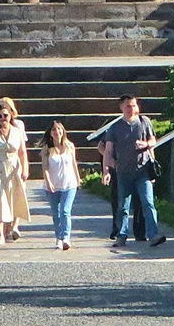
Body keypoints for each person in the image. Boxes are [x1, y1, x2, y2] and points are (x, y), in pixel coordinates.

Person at [95, 94, 164, 247]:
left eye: (134, 105)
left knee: (148, 203)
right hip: (124, 172)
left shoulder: (144, 122)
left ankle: (154, 234)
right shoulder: (115, 127)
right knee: (123, 206)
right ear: (121, 108)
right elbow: (107, 150)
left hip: (143, 171)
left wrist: (145, 144)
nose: (132, 109)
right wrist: (106, 171)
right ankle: (122, 234)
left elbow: (153, 140)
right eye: (128, 106)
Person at [0, 98, 30, 246]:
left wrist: (25, 169)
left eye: (5, 115)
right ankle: (0, 234)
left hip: (13, 166)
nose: (3, 119)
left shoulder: (17, 130)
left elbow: (22, 152)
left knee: (13, 197)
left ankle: (11, 228)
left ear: (11, 116)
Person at [41, 120, 80, 251]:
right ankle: (58, 237)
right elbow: (45, 167)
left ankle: (65, 237)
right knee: (55, 213)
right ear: (50, 133)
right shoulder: (47, 148)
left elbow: (74, 163)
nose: (57, 132)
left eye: (59, 129)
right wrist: (48, 182)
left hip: (69, 184)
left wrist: (78, 179)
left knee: (65, 211)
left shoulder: (70, 146)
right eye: (54, 130)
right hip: (53, 185)